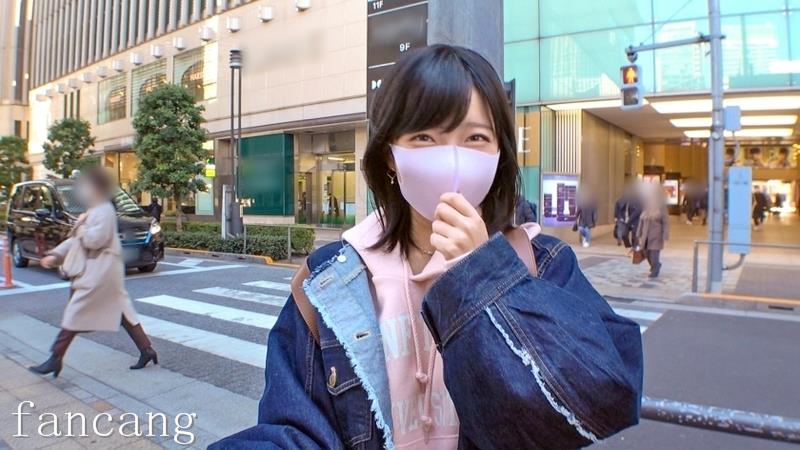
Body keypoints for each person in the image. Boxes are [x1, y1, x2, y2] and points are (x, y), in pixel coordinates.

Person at [211, 45, 642, 449]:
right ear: (389, 155)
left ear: (499, 155)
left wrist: (484, 274)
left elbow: (602, 399)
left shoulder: (543, 263)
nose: (451, 158)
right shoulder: (329, 279)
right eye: (423, 137)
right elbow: (292, 429)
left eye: (476, 138)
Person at [30, 167, 158, 378]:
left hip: (100, 272)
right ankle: (147, 350)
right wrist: (55, 255)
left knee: (75, 313)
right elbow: (75, 241)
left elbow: (94, 240)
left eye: (86, 186)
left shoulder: (104, 210)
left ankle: (55, 358)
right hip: (100, 271)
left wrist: (80, 228)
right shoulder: (94, 209)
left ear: (97, 188)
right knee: (122, 312)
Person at [636, 186, 669, 278]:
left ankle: (655, 270)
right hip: (645, 236)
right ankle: (656, 265)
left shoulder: (662, 207)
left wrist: (665, 236)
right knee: (646, 253)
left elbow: (665, 222)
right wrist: (638, 233)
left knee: (654, 254)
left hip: (656, 236)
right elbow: (641, 220)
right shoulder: (646, 206)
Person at [614, 183, 641, 249]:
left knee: (634, 236)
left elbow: (637, 211)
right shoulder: (625, 200)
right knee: (624, 234)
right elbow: (619, 207)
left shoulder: (637, 200)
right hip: (626, 220)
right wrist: (617, 217)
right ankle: (629, 246)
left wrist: (630, 219)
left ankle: (635, 247)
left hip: (635, 221)